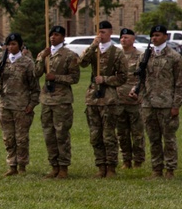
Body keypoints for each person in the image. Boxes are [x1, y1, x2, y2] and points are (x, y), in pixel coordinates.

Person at [131, 25, 182, 179]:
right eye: (152, 35)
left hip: (166, 104)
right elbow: (141, 78)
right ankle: (156, 169)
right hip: (148, 103)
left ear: (165, 37)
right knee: (153, 139)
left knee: (168, 139)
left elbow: (179, 83)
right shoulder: (145, 56)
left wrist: (176, 104)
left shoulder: (174, 57)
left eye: (158, 35)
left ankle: (170, 169)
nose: (154, 38)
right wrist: (136, 91)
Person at [78, 21, 128, 178]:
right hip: (93, 98)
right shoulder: (94, 50)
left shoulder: (117, 53)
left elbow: (123, 77)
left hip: (108, 98)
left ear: (111, 32)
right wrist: (93, 46)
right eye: (99, 32)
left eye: (104, 32)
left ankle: (111, 166)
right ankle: (100, 165)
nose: (101, 35)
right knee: (95, 135)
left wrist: (105, 79)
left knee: (108, 135)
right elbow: (82, 63)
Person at [35, 26, 81, 179]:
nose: (53, 37)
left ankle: (63, 167)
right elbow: (36, 73)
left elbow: (74, 78)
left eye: (56, 35)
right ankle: (53, 165)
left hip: (62, 100)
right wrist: (42, 59)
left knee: (61, 134)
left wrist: (57, 77)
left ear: (63, 37)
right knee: (49, 134)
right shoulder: (44, 53)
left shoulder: (69, 55)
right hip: (47, 100)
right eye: (51, 35)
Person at [0, 33, 39, 176]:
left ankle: (22, 165)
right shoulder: (2, 62)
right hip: (5, 105)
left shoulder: (27, 63)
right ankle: (12, 165)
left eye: (14, 44)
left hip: (21, 106)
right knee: (8, 138)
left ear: (20, 46)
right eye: (9, 44)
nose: (11, 47)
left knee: (21, 138)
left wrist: (31, 104)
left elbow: (34, 88)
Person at [116, 28, 146, 169]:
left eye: (126, 37)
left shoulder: (140, 56)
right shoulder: (116, 55)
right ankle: (126, 160)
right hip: (118, 99)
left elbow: (143, 78)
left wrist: (139, 93)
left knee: (137, 133)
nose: (123, 40)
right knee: (122, 133)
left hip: (134, 100)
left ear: (133, 39)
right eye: (122, 37)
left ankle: (138, 160)